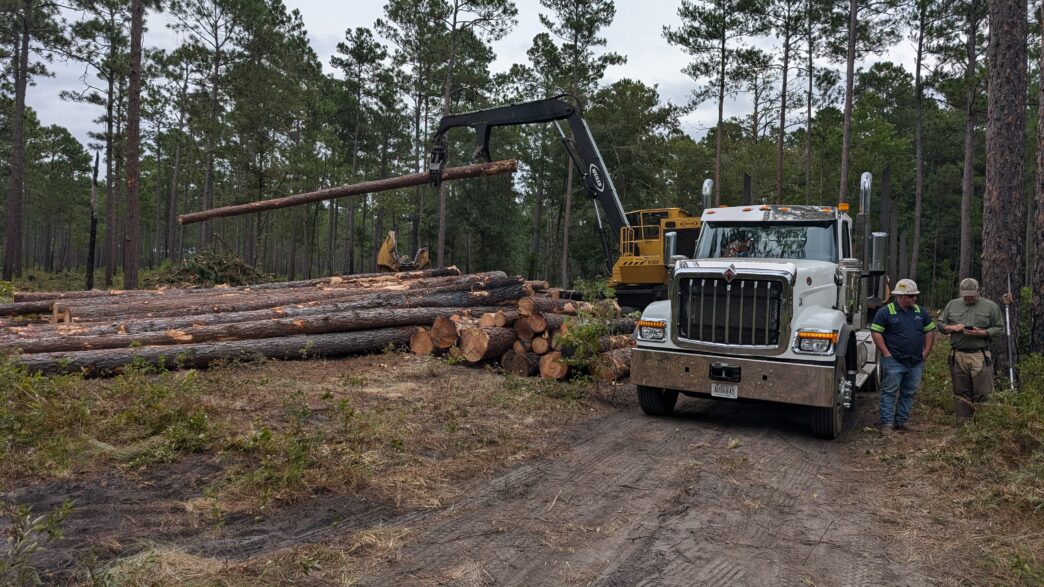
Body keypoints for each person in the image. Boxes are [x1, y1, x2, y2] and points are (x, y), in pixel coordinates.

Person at [869, 279, 936, 435]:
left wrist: (925, 353)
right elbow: (876, 332)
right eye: (911, 296)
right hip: (894, 361)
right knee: (889, 391)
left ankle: (901, 421)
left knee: (909, 392)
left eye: (914, 296)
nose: (914, 299)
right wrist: (886, 353)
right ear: (900, 296)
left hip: (915, 361)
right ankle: (886, 423)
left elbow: (929, 332)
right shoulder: (886, 312)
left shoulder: (920, 311)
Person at [938, 278, 1003, 420]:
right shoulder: (952, 305)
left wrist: (982, 332)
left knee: (984, 393)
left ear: (978, 291)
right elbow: (941, 325)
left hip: (980, 355)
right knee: (961, 393)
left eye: (971, 295)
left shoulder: (991, 307)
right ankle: (964, 426)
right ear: (961, 292)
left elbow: (1000, 328)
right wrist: (951, 328)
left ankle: (983, 426)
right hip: (958, 355)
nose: (968, 298)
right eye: (966, 295)